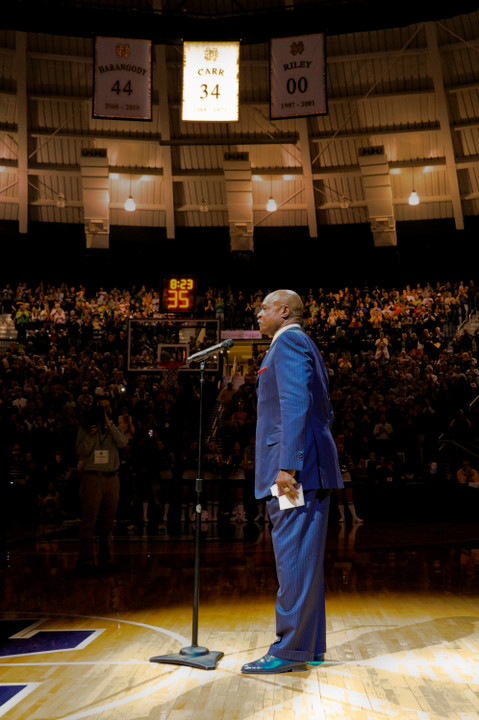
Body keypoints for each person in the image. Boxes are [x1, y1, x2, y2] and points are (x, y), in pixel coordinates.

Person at [241, 289, 343, 675]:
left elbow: (297, 404)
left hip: (293, 473)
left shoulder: (289, 343)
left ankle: (288, 649)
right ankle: (309, 646)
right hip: (305, 467)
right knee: (303, 560)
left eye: (263, 307)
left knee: (293, 559)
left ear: (284, 312)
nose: (258, 314)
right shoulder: (301, 344)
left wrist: (288, 467)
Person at [75, 400, 128, 573]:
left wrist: (110, 424)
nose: (103, 411)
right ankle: (84, 560)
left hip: (112, 478)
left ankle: (105, 559)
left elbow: (122, 442)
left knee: (108, 522)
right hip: (93, 477)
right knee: (89, 521)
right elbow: (81, 451)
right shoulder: (85, 428)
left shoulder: (113, 428)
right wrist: (90, 437)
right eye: (101, 408)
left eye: (107, 408)